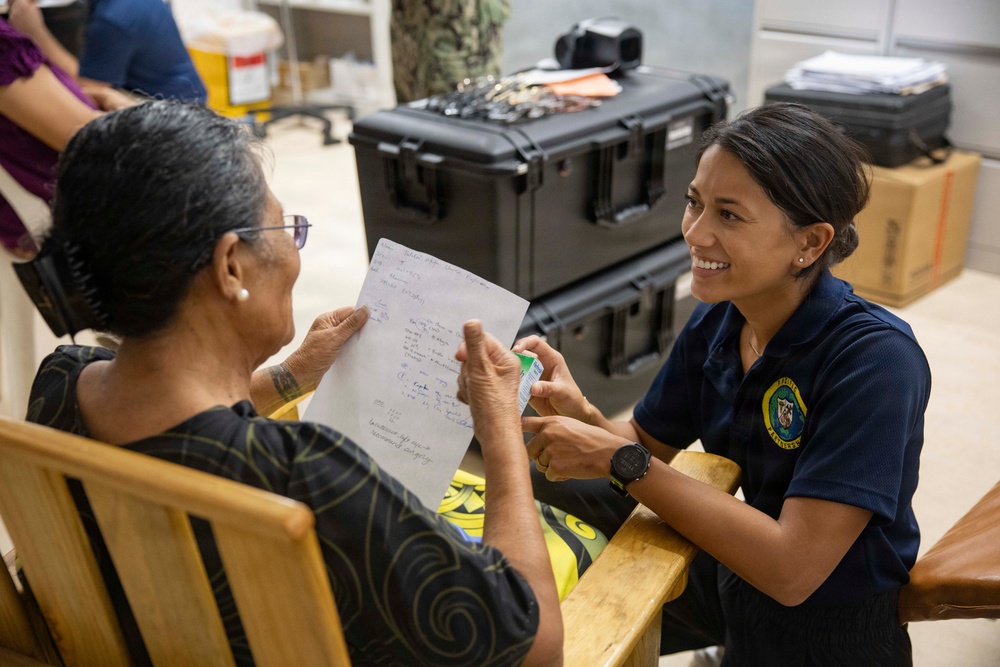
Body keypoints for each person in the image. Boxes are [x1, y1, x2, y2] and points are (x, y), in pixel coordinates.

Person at [24, 101, 562, 666]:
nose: (293, 252)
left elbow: (174, 427)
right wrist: (498, 427)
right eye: (285, 229)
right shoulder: (300, 476)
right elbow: (537, 644)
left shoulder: (60, 382)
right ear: (231, 266)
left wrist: (289, 377)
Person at [517, 103, 930, 665]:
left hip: (827, 630)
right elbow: (645, 439)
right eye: (695, 202)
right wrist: (579, 412)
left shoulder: (877, 362)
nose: (695, 232)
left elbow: (792, 570)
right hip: (733, 575)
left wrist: (618, 458)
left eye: (729, 216)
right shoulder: (724, 315)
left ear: (809, 243)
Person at [8, 0, 207, 104]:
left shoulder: (114, 19)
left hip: (170, 107)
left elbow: (89, 88)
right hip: (188, 93)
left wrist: (35, 33)